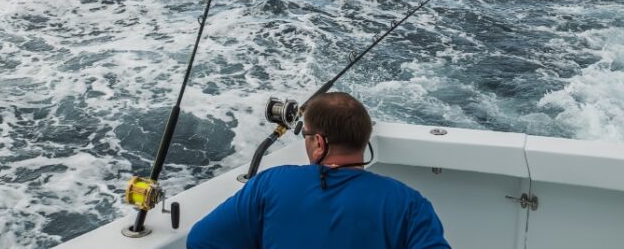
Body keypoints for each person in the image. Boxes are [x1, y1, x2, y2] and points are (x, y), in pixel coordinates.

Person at [187, 92, 450, 248]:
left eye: (307, 136)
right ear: (363, 141)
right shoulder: (408, 203)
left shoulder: (271, 185)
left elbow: (200, 241)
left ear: (319, 143)